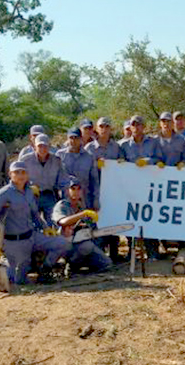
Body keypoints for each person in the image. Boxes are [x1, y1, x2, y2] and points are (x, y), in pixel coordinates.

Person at [0, 161, 70, 284]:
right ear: (10, 174)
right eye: (16, 172)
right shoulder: (2, 195)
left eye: (23, 172)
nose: (20, 175)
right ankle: (3, 263)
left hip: (32, 236)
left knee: (62, 243)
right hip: (14, 242)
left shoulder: (29, 191)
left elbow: (34, 214)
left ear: (28, 174)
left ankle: (44, 269)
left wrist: (44, 227)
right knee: (18, 280)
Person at [118, 115, 165, 259]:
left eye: (139, 125)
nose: (136, 128)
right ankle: (132, 252)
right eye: (133, 125)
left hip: (150, 186)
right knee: (131, 217)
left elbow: (160, 159)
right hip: (131, 188)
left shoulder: (153, 142)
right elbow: (120, 164)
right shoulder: (124, 145)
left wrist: (148, 161)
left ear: (143, 127)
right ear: (130, 127)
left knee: (149, 217)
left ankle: (153, 251)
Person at [84, 117, 123, 262]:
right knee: (96, 221)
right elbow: (86, 169)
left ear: (110, 129)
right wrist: (95, 164)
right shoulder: (89, 148)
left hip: (113, 190)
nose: (104, 129)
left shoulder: (116, 147)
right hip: (95, 189)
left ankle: (114, 252)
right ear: (97, 128)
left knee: (113, 219)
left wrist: (120, 163)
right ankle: (98, 253)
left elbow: (123, 164)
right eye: (101, 126)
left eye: (107, 126)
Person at [52, 178, 111, 273]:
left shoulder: (81, 206)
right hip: (65, 243)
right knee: (87, 246)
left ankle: (83, 263)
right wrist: (82, 214)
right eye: (73, 189)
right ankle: (71, 265)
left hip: (81, 240)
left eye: (79, 189)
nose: (76, 192)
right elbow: (62, 221)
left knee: (106, 263)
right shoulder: (62, 205)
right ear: (67, 190)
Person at [20, 134, 67, 225]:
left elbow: (62, 179)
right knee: (31, 224)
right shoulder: (25, 160)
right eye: (40, 146)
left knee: (54, 222)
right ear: (34, 146)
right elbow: (18, 178)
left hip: (49, 195)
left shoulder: (56, 160)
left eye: (45, 146)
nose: (42, 149)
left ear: (49, 146)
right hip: (31, 196)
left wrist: (64, 198)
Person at [56, 128, 100, 210]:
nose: (73, 140)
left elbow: (94, 181)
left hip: (84, 199)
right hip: (64, 198)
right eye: (71, 138)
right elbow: (55, 177)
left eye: (76, 138)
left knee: (86, 221)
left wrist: (96, 200)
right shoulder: (60, 155)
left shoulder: (89, 157)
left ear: (81, 139)